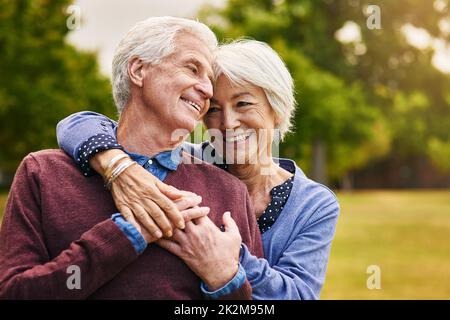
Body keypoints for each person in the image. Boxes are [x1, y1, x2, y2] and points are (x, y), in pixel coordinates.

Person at [0, 17, 263, 299]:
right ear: (139, 70)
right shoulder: (44, 173)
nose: (208, 90)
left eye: (209, 80)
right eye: (192, 68)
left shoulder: (229, 191)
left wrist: (225, 278)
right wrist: (124, 235)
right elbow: (14, 293)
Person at [56, 40, 340, 299]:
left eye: (243, 103)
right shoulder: (183, 160)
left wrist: (225, 256)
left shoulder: (314, 204)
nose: (228, 123)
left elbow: (299, 295)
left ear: (276, 110)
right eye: (214, 109)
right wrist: (118, 167)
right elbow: (77, 123)